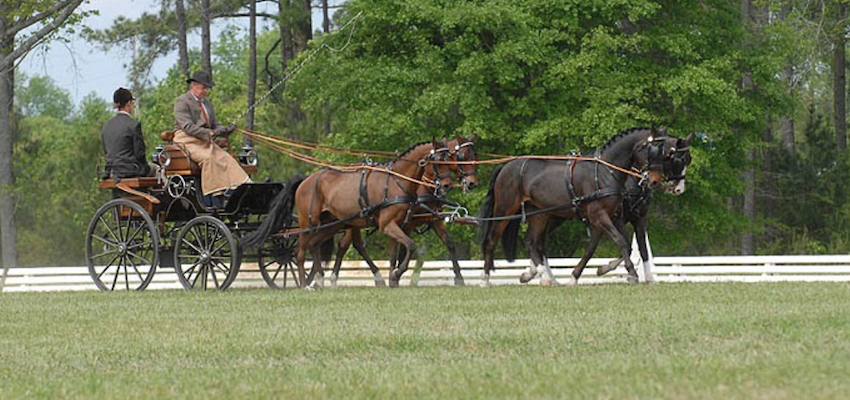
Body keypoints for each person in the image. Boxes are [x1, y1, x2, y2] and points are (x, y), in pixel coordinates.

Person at [173, 70, 249, 197]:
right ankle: (213, 192)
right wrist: (210, 133)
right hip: (186, 139)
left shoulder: (207, 104)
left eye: (206, 88)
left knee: (225, 157)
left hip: (204, 140)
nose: (205, 91)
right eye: (203, 88)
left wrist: (225, 129)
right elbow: (187, 126)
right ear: (193, 86)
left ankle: (241, 185)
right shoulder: (182, 101)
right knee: (208, 158)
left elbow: (214, 125)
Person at [102, 87, 154, 178]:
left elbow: (107, 151)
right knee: (158, 169)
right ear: (129, 103)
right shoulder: (133, 125)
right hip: (129, 171)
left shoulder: (106, 126)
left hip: (111, 171)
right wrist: (145, 168)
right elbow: (140, 154)